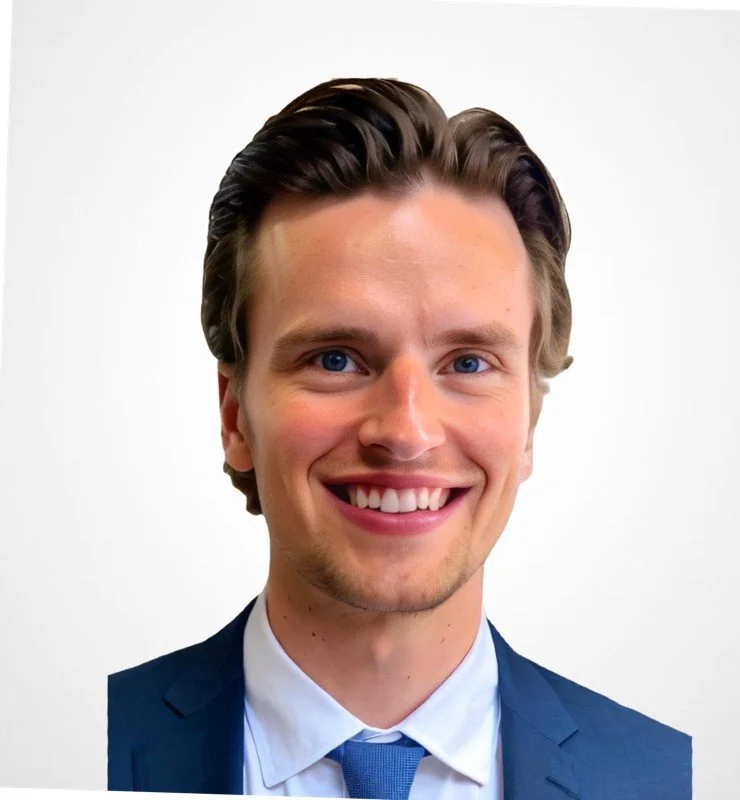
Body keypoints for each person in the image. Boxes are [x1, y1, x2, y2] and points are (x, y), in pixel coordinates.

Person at [107, 77, 692, 798]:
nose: (407, 432)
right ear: (235, 416)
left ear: (529, 420)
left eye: (470, 362)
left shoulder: (674, 779)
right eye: (335, 359)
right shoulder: (61, 750)